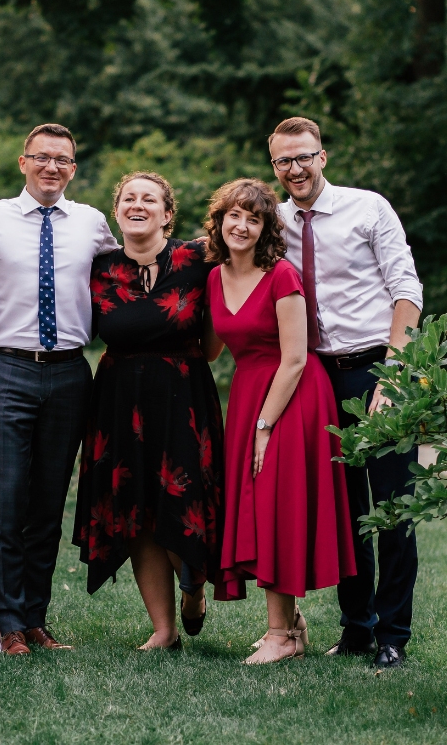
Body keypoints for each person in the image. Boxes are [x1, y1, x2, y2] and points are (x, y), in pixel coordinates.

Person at [269, 117, 423, 669]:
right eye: (283, 161)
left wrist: (395, 374)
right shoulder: (273, 222)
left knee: (392, 509)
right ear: (274, 166)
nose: (295, 169)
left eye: (303, 157)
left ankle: (394, 635)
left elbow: (406, 289)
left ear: (322, 157)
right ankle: (357, 627)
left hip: (377, 368)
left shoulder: (368, 207)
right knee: (343, 509)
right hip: (314, 376)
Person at [0, 123, 119, 654]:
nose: (51, 167)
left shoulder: (92, 224)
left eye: (62, 160)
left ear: (73, 169)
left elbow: (129, 267)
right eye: (41, 157)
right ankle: (6, 620)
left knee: (49, 503)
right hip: (6, 369)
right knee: (7, 498)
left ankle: (35, 617)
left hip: (70, 373)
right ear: (23, 162)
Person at [205, 177, 356, 665]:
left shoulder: (281, 276)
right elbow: (209, 349)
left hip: (293, 397)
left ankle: (280, 636)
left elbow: (294, 359)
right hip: (248, 394)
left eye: (253, 219)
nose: (242, 226)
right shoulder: (213, 277)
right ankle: (292, 624)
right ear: (219, 221)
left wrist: (264, 427)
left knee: (275, 502)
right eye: (234, 215)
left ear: (266, 228)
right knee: (258, 503)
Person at [73, 172, 223, 650]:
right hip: (120, 400)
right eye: (129, 199)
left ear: (167, 213)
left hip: (184, 397)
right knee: (135, 510)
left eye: (149, 199)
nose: (138, 205)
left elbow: (215, 339)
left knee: (185, 499)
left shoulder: (199, 259)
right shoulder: (97, 267)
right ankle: (164, 629)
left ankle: (194, 587)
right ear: (116, 212)